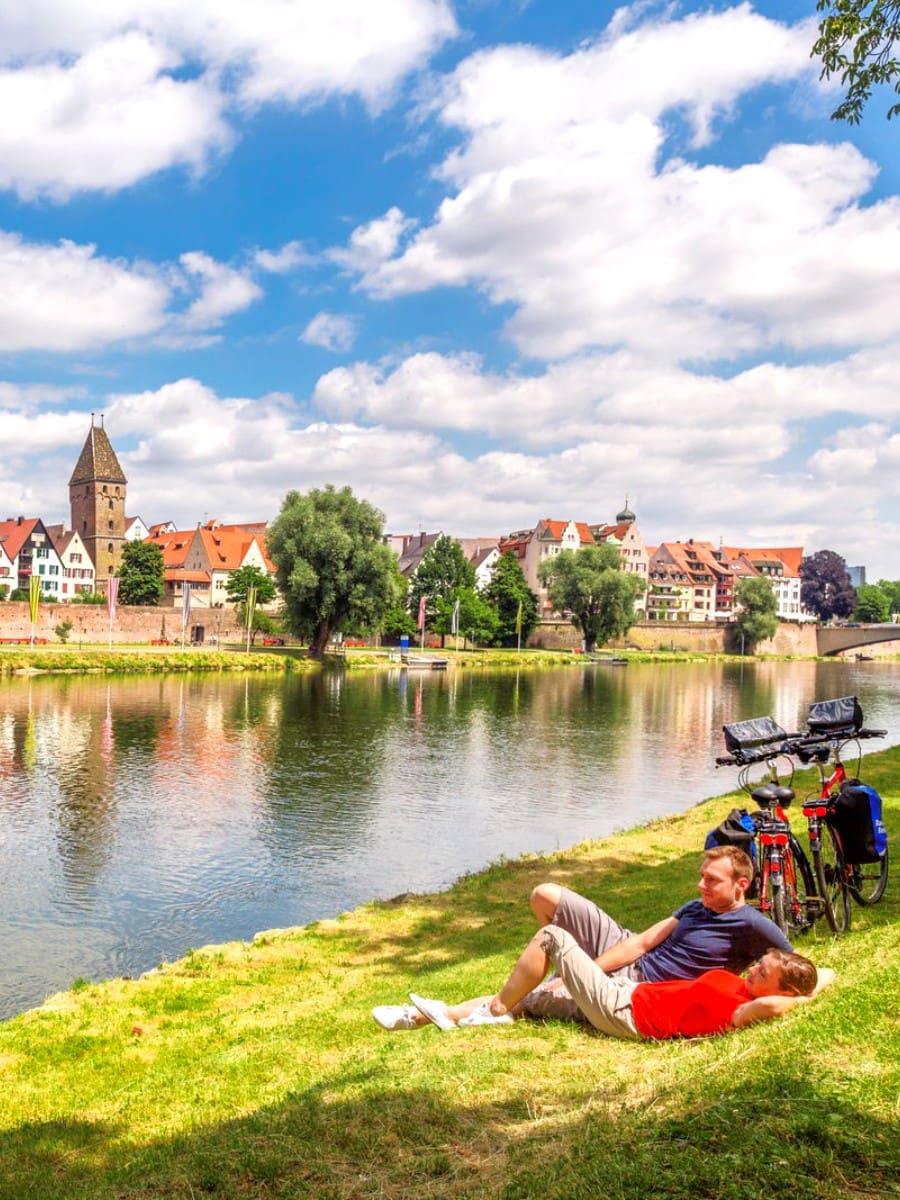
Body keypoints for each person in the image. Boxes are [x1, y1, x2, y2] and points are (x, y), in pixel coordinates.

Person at [373, 846, 795, 1031]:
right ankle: (548, 970)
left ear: (741, 885)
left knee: (535, 981)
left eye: (712, 880)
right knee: (547, 896)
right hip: (627, 953)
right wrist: (584, 968)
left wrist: (800, 993)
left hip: (636, 987)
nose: (701, 885)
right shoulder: (695, 906)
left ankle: (430, 1016)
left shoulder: (752, 925)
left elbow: (795, 967)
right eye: (701, 877)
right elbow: (642, 942)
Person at [401, 939, 830, 1040]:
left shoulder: (748, 1009)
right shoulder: (747, 990)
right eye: (758, 964)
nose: (753, 970)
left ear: (783, 991)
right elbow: (826, 974)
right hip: (627, 992)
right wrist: (815, 982)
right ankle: (434, 1015)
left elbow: (777, 1006)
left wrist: (801, 997)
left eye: (763, 972)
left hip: (625, 1014)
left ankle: (493, 1008)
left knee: (552, 935)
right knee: (532, 1000)